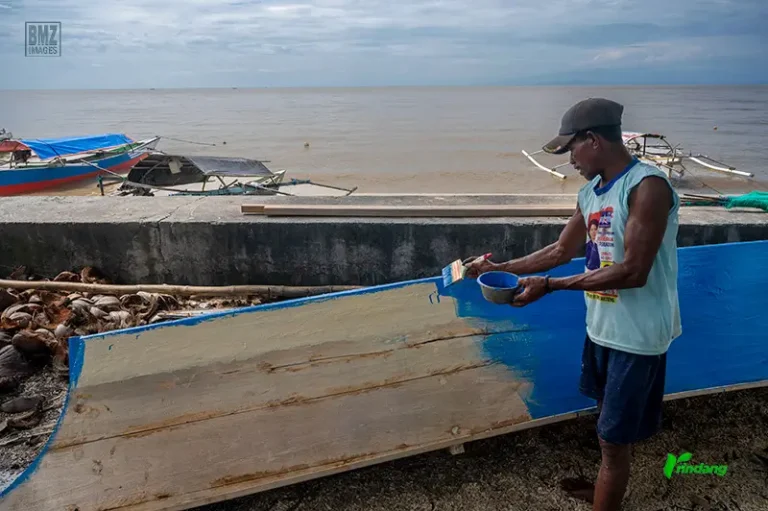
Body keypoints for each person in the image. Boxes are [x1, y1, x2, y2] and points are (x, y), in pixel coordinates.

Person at [467, 98, 681, 511]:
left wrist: (550, 286)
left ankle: (607, 501)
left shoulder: (647, 187)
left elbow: (633, 271)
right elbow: (561, 249)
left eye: (571, 150)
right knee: (606, 419)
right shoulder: (590, 194)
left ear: (594, 140)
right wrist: (499, 268)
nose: (570, 161)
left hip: (637, 336)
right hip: (601, 327)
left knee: (613, 438)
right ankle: (607, 490)